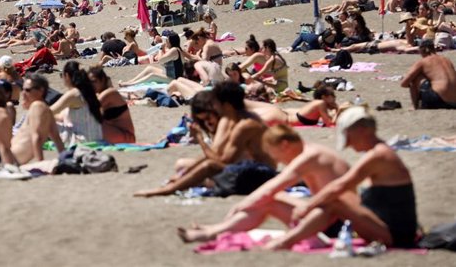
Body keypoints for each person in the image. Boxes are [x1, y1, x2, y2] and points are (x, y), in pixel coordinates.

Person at [269, 107, 418, 249]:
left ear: (362, 131)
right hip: (394, 228)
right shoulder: (381, 151)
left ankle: (286, 242)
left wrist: (308, 206)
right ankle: (297, 237)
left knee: (334, 200)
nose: (349, 145)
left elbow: (340, 185)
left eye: (349, 138)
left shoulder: (378, 155)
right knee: (335, 198)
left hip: (396, 237)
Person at [178, 124, 352, 243]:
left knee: (268, 201)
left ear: (285, 145)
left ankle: (213, 233)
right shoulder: (313, 150)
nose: (279, 161)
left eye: (276, 156)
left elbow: (275, 185)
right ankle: (217, 228)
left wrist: (244, 204)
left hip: (337, 224)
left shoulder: (309, 157)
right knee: (271, 198)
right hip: (333, 215)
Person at [134, 82, 275, 197]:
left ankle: (168, 190)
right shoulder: (234, 120)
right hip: (251, 171)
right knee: (193, 166)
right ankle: (180, 184)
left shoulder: (245, 125)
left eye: (216, 103)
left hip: (261, 175)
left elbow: (223, 161)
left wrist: (200, 139)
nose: (214, 107)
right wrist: (185, 174)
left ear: (226, 105)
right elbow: (220, 155)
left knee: (209, 166)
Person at [51, 61, 105, 144]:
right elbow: (61, 117)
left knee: (40, 118)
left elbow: (47, 111)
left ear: (67, 76)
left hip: (80, 139)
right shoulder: (88, 92)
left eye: (62, 75)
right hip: (95, 137)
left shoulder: (73, 94)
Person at [401, 39, 456, 109]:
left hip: (438, 100)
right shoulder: (447, 60)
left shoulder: (423, 62)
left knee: (415, 77)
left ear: (424, 50)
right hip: (453, 103)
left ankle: (414, 107)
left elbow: (404, 83)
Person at [88, 66, 136, 144]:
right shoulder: (99, 94)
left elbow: (90, 108)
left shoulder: (111, 93)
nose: (91, 85)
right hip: (116, 133)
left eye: (94, 81)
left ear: (102, 80)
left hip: (126, 136)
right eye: (89, 82)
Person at [119, 33, 187, 86]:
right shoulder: (177, 49)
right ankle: (130, 81)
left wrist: (161, 49)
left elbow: (160, 60)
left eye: (167, 40)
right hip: (171, 75)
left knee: (152, 75)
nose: (166, 42)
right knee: (150, 69)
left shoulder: (174, 50)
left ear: (171, 42)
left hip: (175, 79)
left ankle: (131, 84)